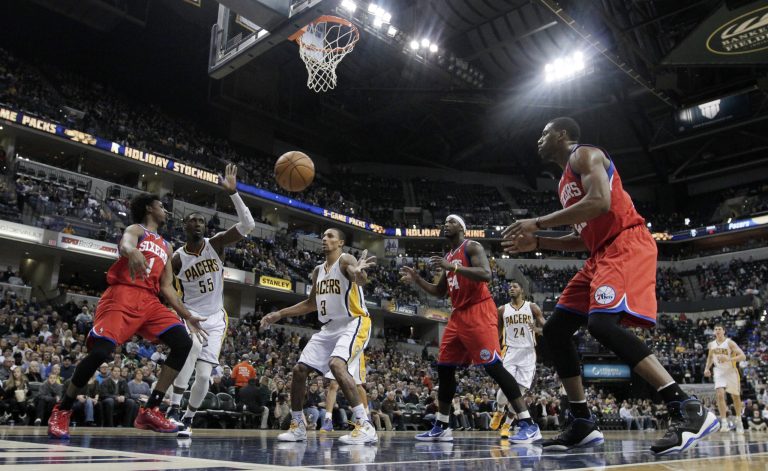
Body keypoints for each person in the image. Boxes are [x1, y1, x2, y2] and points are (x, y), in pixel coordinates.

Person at [502, 117, 718, 454]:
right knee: (556, 329)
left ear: (562, 135)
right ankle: (583, 421)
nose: (538, 140)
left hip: (626, 243)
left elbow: (601, 202)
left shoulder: (584, 156)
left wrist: (537, 223)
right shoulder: (562, 185)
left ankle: (687, 407)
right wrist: (540, 240)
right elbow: (581, 238)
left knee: (601, 323)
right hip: (599, 255)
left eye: (544, 134)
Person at [47, 194, 206, 439]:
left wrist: (187, 315)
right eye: (161, 206)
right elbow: (126, 243)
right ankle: (62, 409)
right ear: (149, 209)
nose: (165, 210)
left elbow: (167, 286)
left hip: (150, 302)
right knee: (100, 352)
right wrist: (131, 251)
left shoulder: (167, 246)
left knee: (184, 342)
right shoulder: (136, 229)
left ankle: (151, 409)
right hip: (122, 294)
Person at [400, 215, 539, 444]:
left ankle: (528, 423)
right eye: (444, 221)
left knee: (493, 367)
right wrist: (416, 279)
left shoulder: (471, 247)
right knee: (444, 367)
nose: (446, 224)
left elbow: (486, 274)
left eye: (451, 222)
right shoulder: (448, 257)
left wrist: (454, 266)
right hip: (458, 315)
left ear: (462, 229)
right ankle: (442, 425)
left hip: (479, 310)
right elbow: (439, 292)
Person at [261, 228, 377, 445]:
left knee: (336, 364)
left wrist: (360, 272)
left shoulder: (346, 259)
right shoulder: (317, 272)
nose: (325, 239)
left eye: (330, 236)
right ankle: (298, 426)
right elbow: (310, 304)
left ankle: (365, 425)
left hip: (355, 321)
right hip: (330, 327)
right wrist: (279, 313)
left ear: (340, 242)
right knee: (299, 370)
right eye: (323, 236)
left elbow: (358, 277)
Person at [167, 164, 255, 438]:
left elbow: (248, 225)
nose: (198, 224)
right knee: (191, 347)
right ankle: (172, 407)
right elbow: (165, 288)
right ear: (184, 226)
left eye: (202, 222)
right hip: (189, 313)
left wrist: (233, 194)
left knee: (204, 376)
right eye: (192, 221)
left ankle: (188, 419)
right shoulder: (177, 258)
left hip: (216, 317)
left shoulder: (215, 244)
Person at [489, 281, 545, 438]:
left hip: (528, 353)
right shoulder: (502, 309)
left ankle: (507, 425)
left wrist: (538, 330)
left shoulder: (532, 307)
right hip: (510, 351)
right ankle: (499, 411)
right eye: (510, 287)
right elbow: (497, 332)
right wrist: (492, 348)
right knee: (505, 387)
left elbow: (545, 326)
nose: (511, 289)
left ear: (522, 290)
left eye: (515, 286)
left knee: (519, 393)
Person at [704, 325, 746, 433]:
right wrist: (707, 368)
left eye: (719, 329)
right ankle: (724, 422)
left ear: (724, 331)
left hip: (731, 371)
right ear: (714, 332)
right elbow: (709, 358)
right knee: (720, 394)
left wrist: (729, 358)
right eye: (716, 329)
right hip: (718, 371)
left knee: (735, 397)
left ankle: (739, 419)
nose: (717, 331)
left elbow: (743, 356)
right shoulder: (712, 345)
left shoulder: (730, 343)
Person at [319, 352, 370, 432]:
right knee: (333, 384)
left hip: (356, 350)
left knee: (358, 385)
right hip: (341, 352)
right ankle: (328, 420)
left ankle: (367, 418)